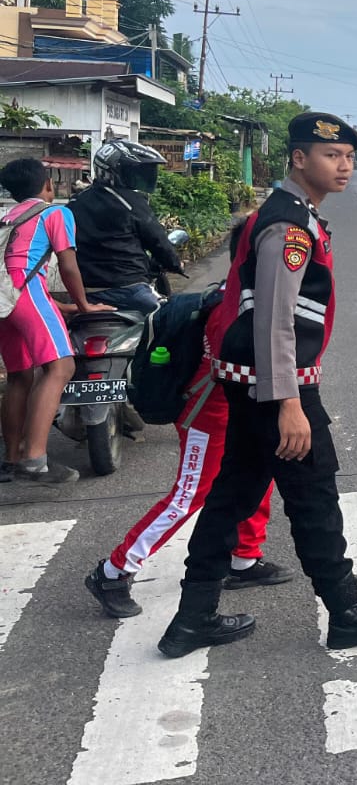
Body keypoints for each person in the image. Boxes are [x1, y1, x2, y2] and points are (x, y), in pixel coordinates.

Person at [157, 112, 357, 658]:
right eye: (331, 156)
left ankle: (192, 617)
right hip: (274, 387)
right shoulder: (288, 227)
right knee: (314, 496)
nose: (344, 165)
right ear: (299, 159)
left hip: (249, 384)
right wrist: (290, 405)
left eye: (349, 156)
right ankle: (347, 611)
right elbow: (274, 320)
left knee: (231, 497)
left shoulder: (283, 215)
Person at [84, 222, 292, 618]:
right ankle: (114, 570)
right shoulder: (234, 308)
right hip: (207, 413)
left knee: (257, 473)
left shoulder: (246, 294)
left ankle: (244, 558)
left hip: (234, 408)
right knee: (189, 495)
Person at [0, 158, 114, 484]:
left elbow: (15, 270)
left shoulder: (8, 217)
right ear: (48, 184)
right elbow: (68, 266)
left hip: (5, 300)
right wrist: (84, 305)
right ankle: (35, 461)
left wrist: (62, 309)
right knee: (60, 368)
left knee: (19, 376)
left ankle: (10, 460)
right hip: (25, 295)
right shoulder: (55, 213)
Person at [69, 138, 183, 316]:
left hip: (85, 293)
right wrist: (175, 263)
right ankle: (162, 346)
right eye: (131, 173)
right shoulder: (131, 202)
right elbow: (157, 240)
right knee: (171, 322)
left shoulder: (75, 202)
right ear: (112, 172)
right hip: (131, 290)